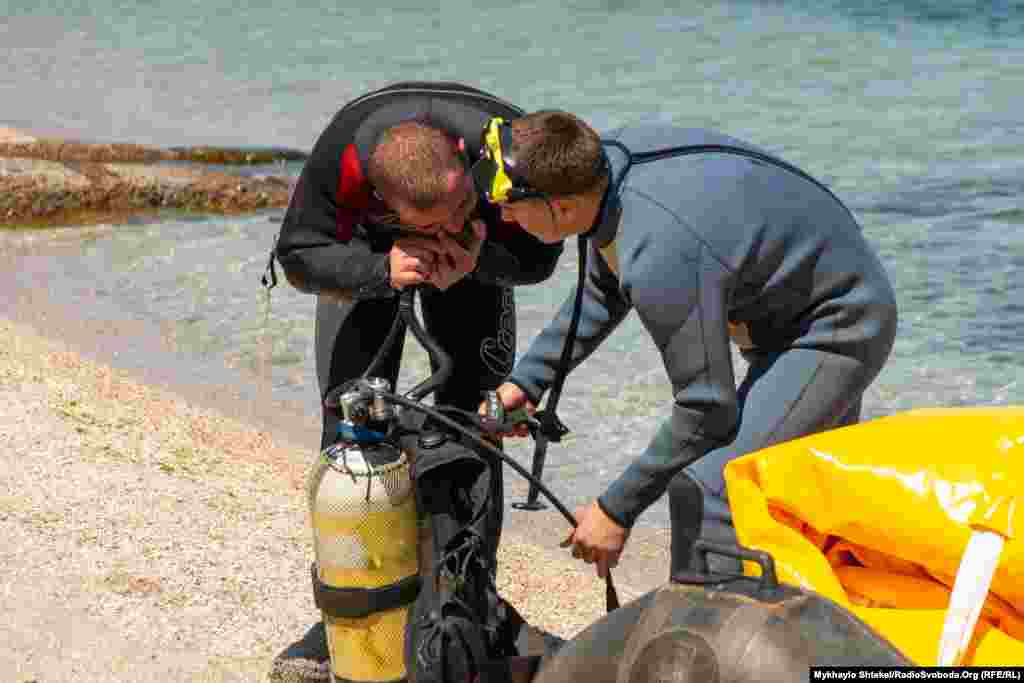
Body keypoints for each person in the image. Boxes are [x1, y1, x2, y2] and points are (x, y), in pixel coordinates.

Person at [486, 110, 899, 581]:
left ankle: (708, 643)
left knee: (712, 487)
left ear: (560, 207)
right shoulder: (605, 171)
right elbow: (605, 288)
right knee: (802, 500)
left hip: (838, 325)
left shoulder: (661, 247)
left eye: (511, 203)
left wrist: (615, 510)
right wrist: (525, 383)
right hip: (795, 307)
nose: (504, 215)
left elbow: (707, 409)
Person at [270, 83, 564, 683]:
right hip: (370, 255)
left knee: (475, 429)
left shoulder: (503, 152)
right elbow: (296, 253)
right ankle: (355, 612)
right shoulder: (343, 158)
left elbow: (543, 259)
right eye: (439, 220)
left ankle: (471, 607)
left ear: (464, 160)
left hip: (481, 266)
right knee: (352, 432)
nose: (454, 223)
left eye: (462, 205)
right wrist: (381, 269)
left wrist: (479, 257)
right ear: (386, 200)